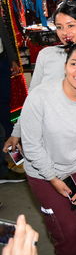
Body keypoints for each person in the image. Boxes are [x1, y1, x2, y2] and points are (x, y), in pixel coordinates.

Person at [21, 41, 76, 255]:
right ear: (65, 66)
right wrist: (53, 178)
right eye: (75, 63)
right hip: (43, 171)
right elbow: (31, 145)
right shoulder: (40, 96)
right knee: (65, 227)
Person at [4, 1, 76, 166]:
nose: (65, 32)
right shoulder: (47, 55)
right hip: (47, 137)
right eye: (59, 27)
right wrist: (17, 132)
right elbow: (33, 99)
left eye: (70, 25)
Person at [0, 16, 21, 184]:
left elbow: (3, 33)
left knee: (6, 112)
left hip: (1, 60)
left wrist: (11, 58)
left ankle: (14, 161)